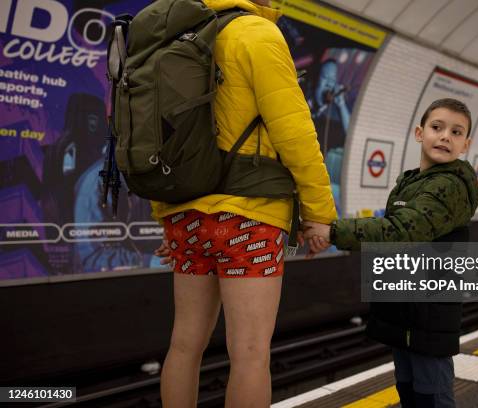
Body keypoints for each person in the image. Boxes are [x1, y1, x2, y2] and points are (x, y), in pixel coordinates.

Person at [153, 0, 337, 406]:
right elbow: (295, 133)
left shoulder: (180, 37)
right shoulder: (258, 34)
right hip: (248, 218)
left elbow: (156, 137)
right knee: (250, 354)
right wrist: (320, 213)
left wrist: (165, 214)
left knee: (183, 347)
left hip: (185, 217)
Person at [303, 98, 478, 407]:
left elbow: (401, 231)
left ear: (465, 145)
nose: (445, 136)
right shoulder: (409, 183)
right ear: (419, 133)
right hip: (404, 310)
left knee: (431, 397)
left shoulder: (450, 187)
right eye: (437, 127)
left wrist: (331, 233)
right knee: (409, 391)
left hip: (428, 316)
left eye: (456, 132)